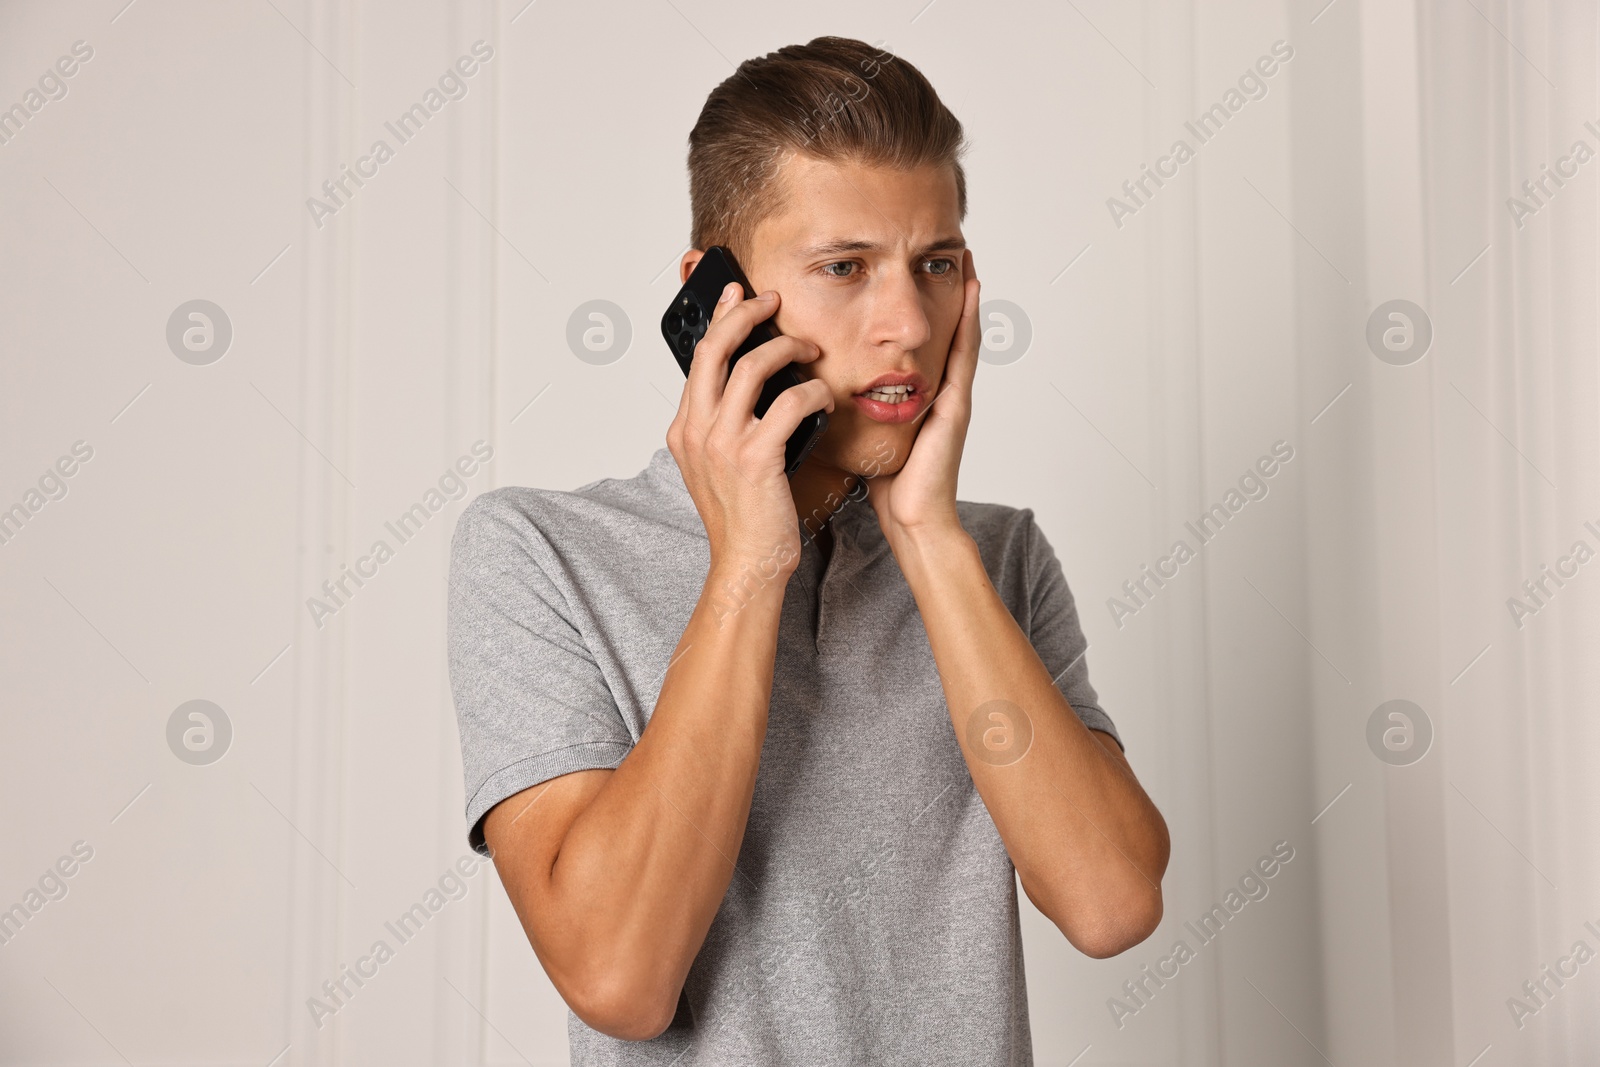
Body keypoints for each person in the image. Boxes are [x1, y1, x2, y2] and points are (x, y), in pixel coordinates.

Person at [447, 35, 1170, 1065]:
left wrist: (928, 536)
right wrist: (747, 563)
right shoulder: (542, 553)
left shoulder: (996, 558)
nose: (907, 325)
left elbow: (1110, 903)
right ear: (716, 295)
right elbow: (620, 975)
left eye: (936, 265)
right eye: (845, 268)